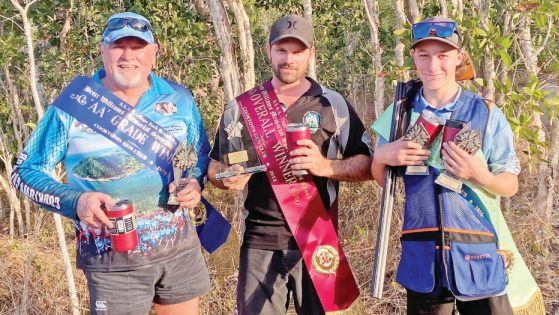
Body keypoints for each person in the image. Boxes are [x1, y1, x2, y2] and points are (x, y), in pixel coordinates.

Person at [11, 12, 211, 315]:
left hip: (179, 253)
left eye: (138, 46)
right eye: (118, 46)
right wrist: (76, 201)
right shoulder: (75, 104)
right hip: (112, 262)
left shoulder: (179, 99)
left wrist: (195, 182)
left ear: (155, 50)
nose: (128, 55)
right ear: (103, 49)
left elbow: (200, 157)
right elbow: (25, 172)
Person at [371, 16, 544, 315]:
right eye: (423, 55)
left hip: (478, 252)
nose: (432, 65)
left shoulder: (486, 113)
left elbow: (510, 184)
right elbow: (382, 181)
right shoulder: (399, 113)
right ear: (413, 56)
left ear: (459, 57)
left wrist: (481, 176)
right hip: (423, 256)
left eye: (443, 55)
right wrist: (382, 157)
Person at [207, 15, 373, 315]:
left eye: (297, 52)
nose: (289, 59)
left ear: (310, 54)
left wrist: (326, 167)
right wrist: (225, 178)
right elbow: (215, 167)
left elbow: (367, 164)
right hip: (260, 240)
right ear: (268, 51)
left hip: (319, 238)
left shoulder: (332, 104)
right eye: (281, 50)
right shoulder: (242, 107)